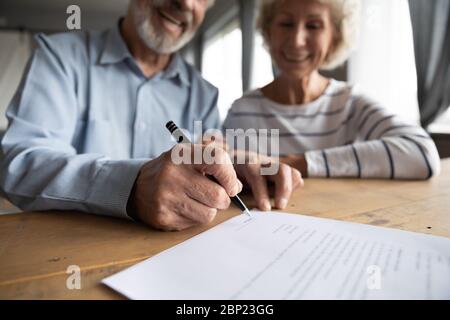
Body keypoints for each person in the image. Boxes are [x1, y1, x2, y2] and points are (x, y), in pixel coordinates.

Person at [0, 0, 302, 231]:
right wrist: (129, 186)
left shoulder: (204, 93)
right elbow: (19, 165)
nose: (185, 2)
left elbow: (209, 155)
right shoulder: (59, 58)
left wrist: (236, 168)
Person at [224, 0, 441, 180]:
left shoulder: (350, 102)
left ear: (334, 38)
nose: (297, 41)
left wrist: (298, 163)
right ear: (268, 32)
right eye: (286, 23)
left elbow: (423, 154)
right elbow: (224, 173)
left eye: (314, 25)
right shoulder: (241, 110)